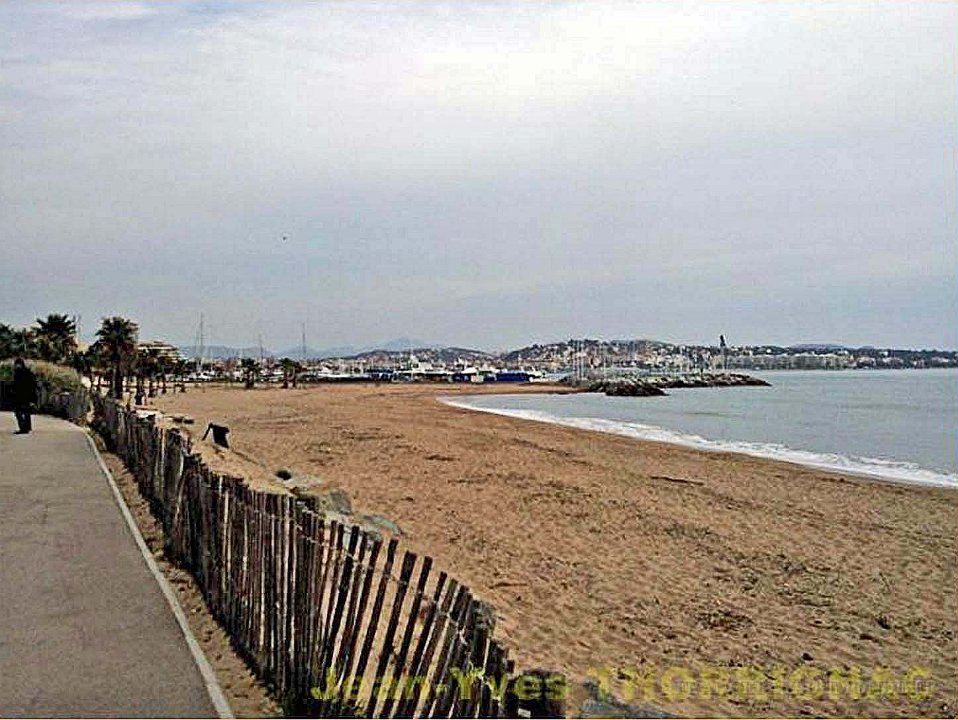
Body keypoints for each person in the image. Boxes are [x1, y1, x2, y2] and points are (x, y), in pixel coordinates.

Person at [11, 357, 38, 434]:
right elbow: (33, 385)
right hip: (25, 396)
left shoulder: (18, 373)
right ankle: (27, 427)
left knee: (19, 412)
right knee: (26, 412)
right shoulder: (28, 373)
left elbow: (15, 386)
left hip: (21, 396)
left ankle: (23, 428)